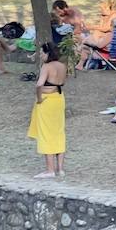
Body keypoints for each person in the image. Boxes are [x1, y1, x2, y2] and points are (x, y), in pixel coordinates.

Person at [28, 42, 68, 177]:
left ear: (47, 53)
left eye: (41, 53)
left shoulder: (46, 66)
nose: (40, 55)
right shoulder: (63, 66)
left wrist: (39, 99)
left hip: (47, 100)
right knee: (58, 132)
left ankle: (50, 170)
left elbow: (39, 85)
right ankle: (60, 169)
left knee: (46, 133)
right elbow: (62, 82)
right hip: (59, 98)